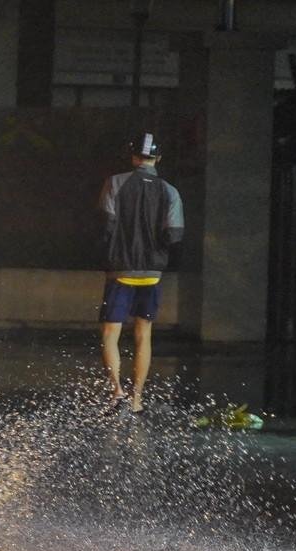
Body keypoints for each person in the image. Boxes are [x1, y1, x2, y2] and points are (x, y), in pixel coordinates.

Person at [97, 131, 184, 414]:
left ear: (133, 157)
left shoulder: (115, 183)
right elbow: (174, 234)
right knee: (143, 334)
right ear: (158, 158)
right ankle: (136, 399)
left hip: (120, 269)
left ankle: (116, 392)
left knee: (111, 333)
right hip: (152, 272)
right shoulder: (170, 191)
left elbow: (105, 225)